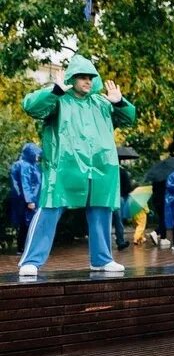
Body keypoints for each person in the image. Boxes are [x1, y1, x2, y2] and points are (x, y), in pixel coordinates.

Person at [18, 54, 136, 276]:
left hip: (100, 167)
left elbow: (129, 118)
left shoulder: (102, 102)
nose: (87, 81)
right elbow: (31, 107)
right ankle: (31, 260)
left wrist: (120, 102)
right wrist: (54, 90)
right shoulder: (59, 99)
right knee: (50, 209)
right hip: (65, 167)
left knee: (101, 210)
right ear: (72, 78)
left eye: (90, 77)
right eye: (82, 77)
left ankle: (102, 259)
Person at [9, 143, 42, 255]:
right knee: (27, 224)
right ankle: (24, 248)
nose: (38, 156)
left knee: (27, 224)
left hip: (26, 200)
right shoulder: (25, 165)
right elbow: (25, 184)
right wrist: (30, 200)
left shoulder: (30, 164)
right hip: (26, 201)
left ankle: (23, 248)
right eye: (36, 154)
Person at [111, 164, 132, 251]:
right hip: (118, 197)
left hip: (105, 197)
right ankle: (120, 241)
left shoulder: (107, 170)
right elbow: (128, 187)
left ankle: (104, 244)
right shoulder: (122, 172)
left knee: (105, 221)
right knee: (118, 221)